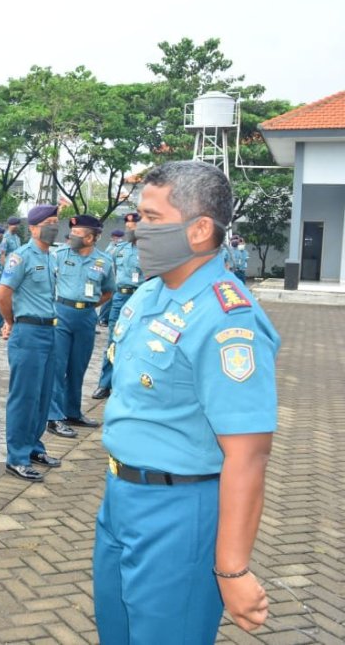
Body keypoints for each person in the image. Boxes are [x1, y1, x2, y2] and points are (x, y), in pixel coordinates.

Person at [93, 160, 279, 644]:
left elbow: (248, 454)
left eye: (152, 218)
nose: (138, 230)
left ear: (198, 230)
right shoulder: (149, 294)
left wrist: (232, 568)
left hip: (179, 510)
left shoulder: (227, 318)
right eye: (139, 217)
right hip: (121, 497)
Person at [0, 205, 62, 482]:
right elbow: (2, 294)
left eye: (56, 222)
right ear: (33, 228)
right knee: (24, 397)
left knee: (43, 395)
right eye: (48, 222)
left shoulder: (52, 257)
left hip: (50, 330)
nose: (53, 227)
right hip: (28, 332)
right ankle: (17, 457)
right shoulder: (21, 256)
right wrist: (12, 321)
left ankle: (34, 447)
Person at [47, 215, 114, 437]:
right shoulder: (59, 255)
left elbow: (108, 291)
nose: (72, 237)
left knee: (78, 367)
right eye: (72, 233)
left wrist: (89, 305)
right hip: (61, 314)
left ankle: (72, 412)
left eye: (78, 234)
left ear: (91, 238)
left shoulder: (104, 261)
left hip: (86, 316)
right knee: (57, 367)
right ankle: (54, 417)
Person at [93, 214, 142, 400]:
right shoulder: (119, 249)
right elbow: (107, 269)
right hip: (120, 297)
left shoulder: (151, 249)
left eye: (133, 227)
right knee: (114, 339)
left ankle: (132, 386)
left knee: (139, 340)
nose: (130, 230)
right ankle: (105, 384)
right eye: (128, 227)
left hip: (141, 297)